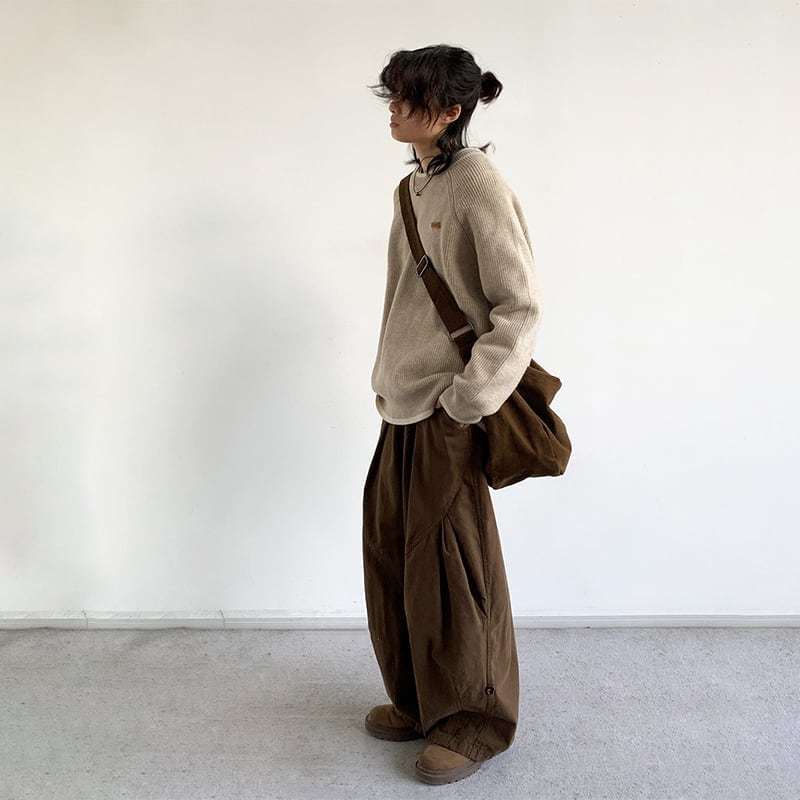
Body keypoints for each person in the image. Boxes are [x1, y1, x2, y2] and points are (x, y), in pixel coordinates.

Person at [362, 44, 541, 786]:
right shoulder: (413, 187)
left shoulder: (477, 185)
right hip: (401, 403)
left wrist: (465, 402)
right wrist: (388, 378)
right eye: (392, 96)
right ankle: (417, 701)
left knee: (453, 570)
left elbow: (519, 308)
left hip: (447, 407)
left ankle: (473, 723)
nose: (394, 110)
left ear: (449, 111)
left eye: (408, 99)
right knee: (393, 557)